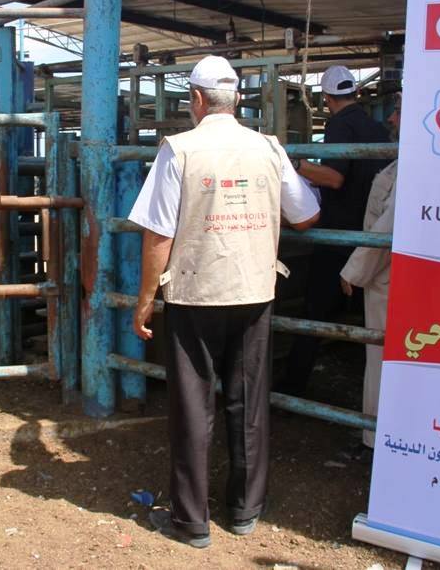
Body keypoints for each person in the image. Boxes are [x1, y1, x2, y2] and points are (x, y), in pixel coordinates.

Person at [128, 55, 320, 549]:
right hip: (254, 288)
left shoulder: (179, 149)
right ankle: (244, 510)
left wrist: (145, 299)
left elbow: (158, 234)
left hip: (195, 292)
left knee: (193, 406)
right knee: (248, 400)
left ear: (196, 99)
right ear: (236, 99)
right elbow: (305, 215)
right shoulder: (268, 148)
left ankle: (191, 520)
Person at [277, 65, 390, 397]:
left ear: (326, 99)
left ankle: (292, 388)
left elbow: (335, 177)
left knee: (314, 312)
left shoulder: (339, 124)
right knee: (371, 317)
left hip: (338, 234)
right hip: (371, 231)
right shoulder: (376, 127)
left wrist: (293, 162)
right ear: (356, 92)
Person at [340, 94, 400, 451]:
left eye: (398, 113)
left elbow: (386, 228)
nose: (390, 119)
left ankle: (379, 440)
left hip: (387, 276)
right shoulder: (401, 161)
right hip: (384, 273)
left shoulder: (412, 168)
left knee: (382, 355)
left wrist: (353, 270)